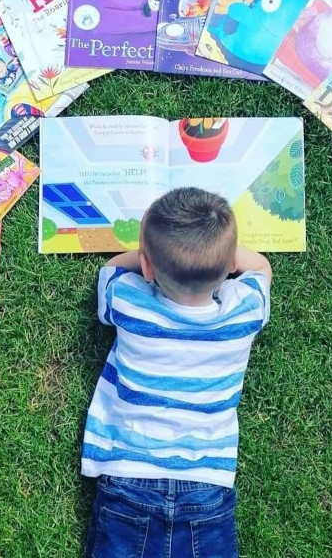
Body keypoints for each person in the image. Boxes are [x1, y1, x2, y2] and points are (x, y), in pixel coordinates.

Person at [83, 187, 272, 558]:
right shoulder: (245, 311)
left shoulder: (127, 302)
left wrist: (144, 254)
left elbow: (110, 269)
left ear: (147, 266)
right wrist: (229, 254)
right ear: (231, 265)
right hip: (208, 485)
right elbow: (262, 267)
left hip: (127, 476)